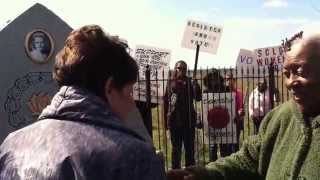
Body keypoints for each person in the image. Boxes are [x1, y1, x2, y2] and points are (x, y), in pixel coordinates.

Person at [0, 25, 165, 180]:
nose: (132, 104)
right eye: (129, 92)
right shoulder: (136, 158)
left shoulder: (11, 145)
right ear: (109, 87)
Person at [167, 34, 320, 179]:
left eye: (299, 71)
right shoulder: (278, 118)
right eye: (286, 74)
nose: (290, 82)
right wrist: (206, 174)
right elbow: (249, 160)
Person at [163, 60, 201, 169]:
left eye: (184, 69)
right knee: (176, 151)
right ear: (175, 69)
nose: (181, 70)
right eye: (179, 68)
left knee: (190, 150)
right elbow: (166, 103)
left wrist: (196, 84)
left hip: (188, 122)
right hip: (174, 122)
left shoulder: (190, 82)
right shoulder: (170, 83)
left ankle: (190, 173)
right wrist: (166, 123)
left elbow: (198, 97)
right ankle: (176, 173)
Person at [202, 69, 232, 161]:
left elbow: (230, 104)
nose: (214, 80)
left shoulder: (225, 89)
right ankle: (212, 166)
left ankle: (223, 167)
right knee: (212, 146)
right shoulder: (206, 92)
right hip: (211, 121)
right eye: (211, 78)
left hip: (223, 120)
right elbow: (204, 107)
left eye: (215, 77)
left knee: (224, 145)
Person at [225, 73, 245, 151]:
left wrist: (240, 112)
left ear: (234, 80)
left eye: (230, 79)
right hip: (226, 122)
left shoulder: (239, 93)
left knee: (235, 144)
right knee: (226, 145)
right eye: (226, 79)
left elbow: (240, 107)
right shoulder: (222, 93)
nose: (228, 81)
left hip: (236, 121)